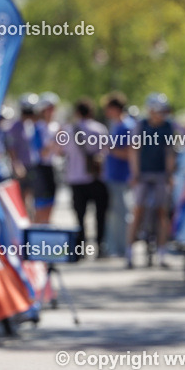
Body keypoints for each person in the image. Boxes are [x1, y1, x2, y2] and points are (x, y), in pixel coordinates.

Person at [127, 93, 177, 268]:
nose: (161, 115)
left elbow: (169, 151)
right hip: (143, 173)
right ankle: (130, 253)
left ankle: (162, 253)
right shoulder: (141, 125)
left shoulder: (168, 127)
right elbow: (134, 150)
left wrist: (170, 174)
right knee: (138, 211)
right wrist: (135, 173)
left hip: (160, 174)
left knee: (162, 212)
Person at [63, 99, 110, 256]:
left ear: (77, 112)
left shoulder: (69, 130)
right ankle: (100, 246)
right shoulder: (99, 129)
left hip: (76, 178)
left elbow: (61, 151)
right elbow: (106, 152)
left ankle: (79, 249)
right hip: (97, 178)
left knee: (80, 216)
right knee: (100, 215)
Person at [102, 94, 135, 258]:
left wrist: (110, 149)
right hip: (113, 176)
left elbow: (130, 153)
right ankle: (114, 246)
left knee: (123, 214)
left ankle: (123, 248)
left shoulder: (127, 126)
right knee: (114, 214)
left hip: (123, 176)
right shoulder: (116, 125)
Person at [4, 93, 41, 216]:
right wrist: (16, 164)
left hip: (31, 164)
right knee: (22, 194)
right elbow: (11, 148)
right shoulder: (15, 127)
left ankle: (30, 217)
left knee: (31, 194)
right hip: (21, 166)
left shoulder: (30, 125)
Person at [32, 92, 61, 223]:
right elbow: (41, 152)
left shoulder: (56, 127)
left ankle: (46, 228)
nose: (51, 112)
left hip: (53, 167)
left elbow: (60, 151)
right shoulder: (38, 127)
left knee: (51, 202)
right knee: (40, 204)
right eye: (48, 109)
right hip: (40, 169)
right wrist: (53, 141)